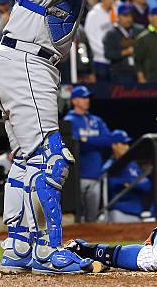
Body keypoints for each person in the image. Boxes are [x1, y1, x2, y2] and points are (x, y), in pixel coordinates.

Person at [0, 0, 129, 275]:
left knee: (25, 161)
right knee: (52, 160)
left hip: (20, 61)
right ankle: (47, 251)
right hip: (26, 62)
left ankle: (18, 247)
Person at [63, 85, 113, 223]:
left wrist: (86, 140)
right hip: (76, 175)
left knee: (92, 219)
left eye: (87, 98)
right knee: (77, 218)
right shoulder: (69, 120)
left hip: (94, 174)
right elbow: (75, 145)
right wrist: (93, 142)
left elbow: (108, 140)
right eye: (83, 98)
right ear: (74, 101)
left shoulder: (96, 120)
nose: (87, 100)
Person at [103, 129, 152, 223]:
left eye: (127, 144)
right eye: (123, 144)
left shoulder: (132, 164)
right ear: (114, 146)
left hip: (137, 213)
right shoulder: (109, 166)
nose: (127, 147)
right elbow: (109, 185)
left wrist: (131, 184)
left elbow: (147, 185)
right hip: (119, 213)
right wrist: (129, 184)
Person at [103, 3, 143, 83]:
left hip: (137, 72)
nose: (129, 19)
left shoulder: (138, 30)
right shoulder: (112, 33)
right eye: (125, 16)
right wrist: (125, 52)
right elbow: (108, 54)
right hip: (119, 73)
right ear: (118, 17)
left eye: (130, 16)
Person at [84, 0, 116, 81]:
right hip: (100, 59)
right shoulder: (93, 14)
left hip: (115, 59)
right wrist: (103, 52)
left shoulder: (115, 12)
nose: (110, 0)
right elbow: (90, 36)